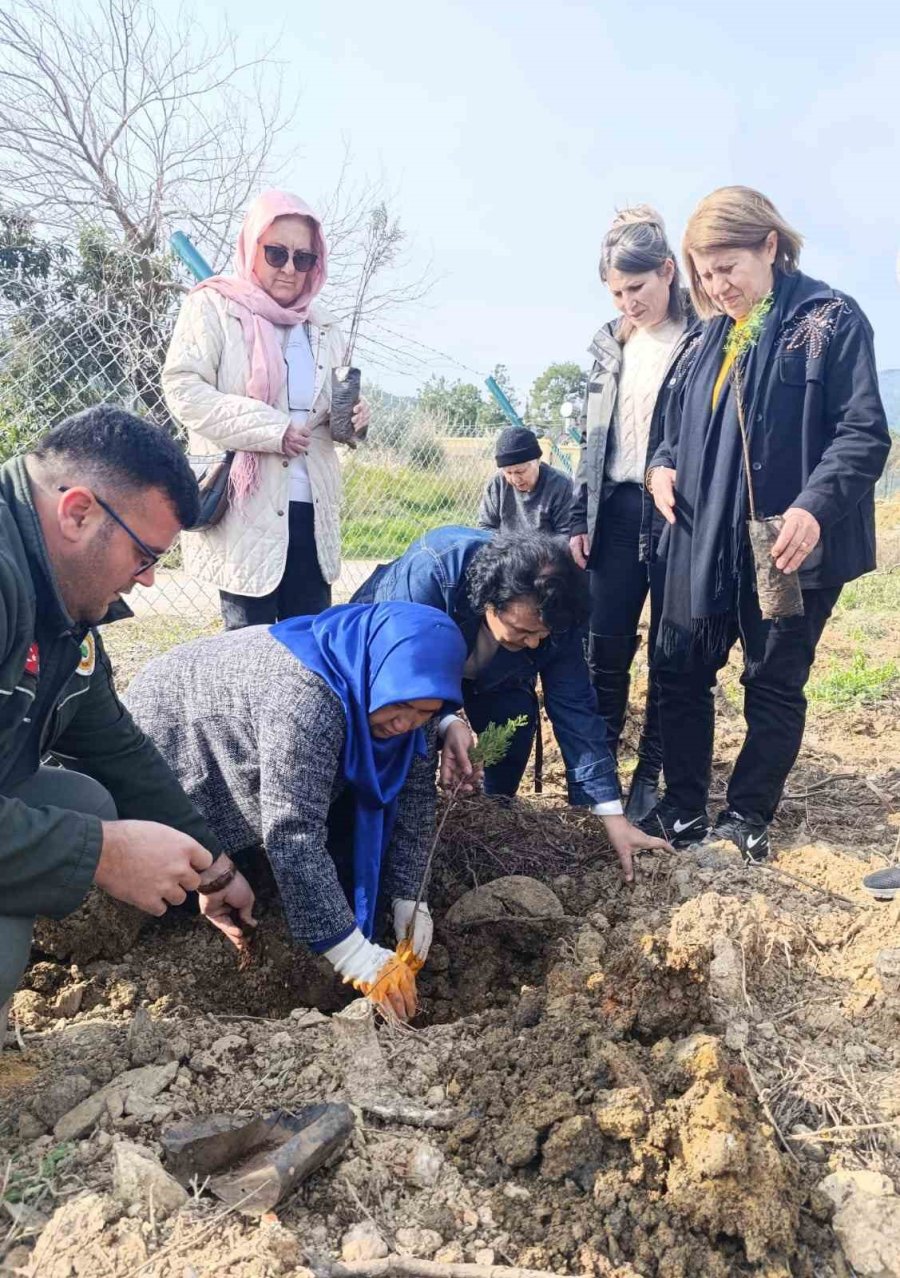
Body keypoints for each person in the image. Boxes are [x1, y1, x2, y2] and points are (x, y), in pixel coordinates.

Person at [642, 186, 891, 860]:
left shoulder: (829, 319)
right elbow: (671, 429)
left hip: (781, 544)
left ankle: (747, 817)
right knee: (679, 668)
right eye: (704, 272)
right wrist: (660, 467)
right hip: (701, 538)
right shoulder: (704, 338)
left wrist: (815, 505)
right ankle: (682, 807)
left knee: (773, 680)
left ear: (770, 247)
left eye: (727, 267)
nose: (716, 286)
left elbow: (865, 432)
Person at [0, 406, 257, 1041]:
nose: (146, 580)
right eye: (144, 554)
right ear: (77, 512)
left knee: (80, 797)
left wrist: (214, 870)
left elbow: (117, 745)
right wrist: (105, 854)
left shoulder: (61, 600)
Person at [125, 603, 467, 1021]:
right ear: (378, 674)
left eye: (425, 714)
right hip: (176, 730)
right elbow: (292, 831)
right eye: (401, 708)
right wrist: (354, 956)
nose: (405, 725)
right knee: (185, 874)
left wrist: (410, 897)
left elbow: (414, 798)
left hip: (265, 723)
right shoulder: (305, 699)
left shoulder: (407, 693)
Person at [352, 526, 672, 882]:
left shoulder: (558, 609)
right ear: (490, 602)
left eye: (542, 635)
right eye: (523, 632)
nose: (534, 645)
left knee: (515, 717)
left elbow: (576, 708)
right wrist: (445, 721)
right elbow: (398, 674)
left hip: (495, 673)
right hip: (396, 676)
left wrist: (611, 813)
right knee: (402, 745)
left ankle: (490, 814)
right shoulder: (434, 573)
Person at [162, 188, 371, 630]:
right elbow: (182, 388)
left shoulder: (324, 326)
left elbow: (332, 421)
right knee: (247, 650)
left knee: (310, 649)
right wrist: (268, 428)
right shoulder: (214, 307)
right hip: (246, 507)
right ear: (251, 246)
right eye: (276, 253)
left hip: (312, 508)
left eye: (304, 258)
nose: (290, 268)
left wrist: (353, 422)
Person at [570, 207, 693, 822]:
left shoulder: (706, 334)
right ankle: (597, 775)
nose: (628, 302)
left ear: (669, 272)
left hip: (679, 512)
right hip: (615, 509)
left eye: (638, 288)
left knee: (673, 651)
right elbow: (592, 442)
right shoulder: (609, 345)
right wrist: (579, 517)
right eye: (617, 292)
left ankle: (652, 773)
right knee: (605, 647)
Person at [478, 425, 572, 536]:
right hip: (504, 550)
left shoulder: (562, 485)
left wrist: (527, 551)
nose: (515, 479)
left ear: (538, 461)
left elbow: (565, 536)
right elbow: (485, 528)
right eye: (508, 472)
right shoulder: (497, 484)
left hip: (546, 552)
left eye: (520, 471)